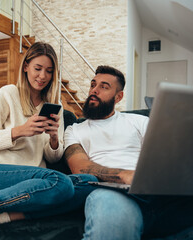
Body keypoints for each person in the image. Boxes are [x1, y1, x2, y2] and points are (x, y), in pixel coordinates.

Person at [0, 42, 96, 230]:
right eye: (38, 68)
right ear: (26, 66)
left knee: (90, 183)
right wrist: (19, 131)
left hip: (30, 183)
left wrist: (53, 138)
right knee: (59, 182)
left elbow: (53, 156)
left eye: (49, 71)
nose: (43, 76)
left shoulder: (54, 105)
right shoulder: (7, 94)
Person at [64, 65, 193, 239]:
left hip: (155, 192)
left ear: (119, 97)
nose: (94, 90)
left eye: (104, 86)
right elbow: (80, 167)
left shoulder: (139, 121)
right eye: (93, 84)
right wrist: (124, 175)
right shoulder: (74, 130)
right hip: (112, 192)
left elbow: (164, 154)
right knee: (112, 213)